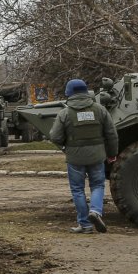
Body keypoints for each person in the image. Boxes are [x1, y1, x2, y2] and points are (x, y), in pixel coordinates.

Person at [49, 78, 117, 233]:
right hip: (97, 155)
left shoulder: (64, 113)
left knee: (78, 189)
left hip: (75, 157)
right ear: (87, 92)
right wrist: (112, 153)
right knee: (98, 185)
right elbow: (112, 134)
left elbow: (55, 136)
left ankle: (85, 225)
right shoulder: (100, 109)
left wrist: (66, 145)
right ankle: (95, 211)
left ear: (69, 93)